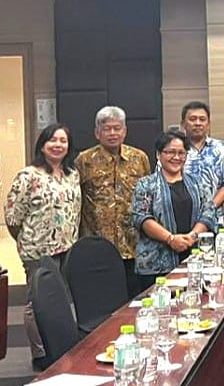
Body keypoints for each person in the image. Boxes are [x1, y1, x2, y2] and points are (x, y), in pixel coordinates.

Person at [4, 124, 81, 368]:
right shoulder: (28, 175)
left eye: (63, 141)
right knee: (35, 302)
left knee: (59, 301)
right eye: (52, 140)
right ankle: (40, 353)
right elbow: (13, 217)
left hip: (67, 248)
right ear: (42, 145)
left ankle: (57, 347)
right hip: (37, 250)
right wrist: (29, 239)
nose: (58, 145)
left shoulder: (72, 174)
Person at [75, 106, 151, 297]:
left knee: (134, 299)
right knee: (101, 298)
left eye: (117, 128)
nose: (112, 133)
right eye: (107, 129)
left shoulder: (139, 158)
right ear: (97, 132)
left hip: (133, 243)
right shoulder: (84, 160)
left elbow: (149, 197)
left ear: (124, 131)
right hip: (98, 244)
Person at [131, 130, 216, 288]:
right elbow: (141, 218)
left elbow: (209, 213)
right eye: (170, 152)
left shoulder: (198, 183)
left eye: (181, 153)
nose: (176, 157)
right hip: (156, 265)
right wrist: (170, 239)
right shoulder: (146, 184)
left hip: (194, 260)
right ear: (158, 154)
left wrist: (192, 236)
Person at [180, 101, 224, 222]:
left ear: (208, 124)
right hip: (182, 216)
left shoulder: (221, 148)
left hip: (215, 218)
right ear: (183, 124)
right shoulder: (174, 149)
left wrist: (210, 208)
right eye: (192, 119)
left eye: (202, 119)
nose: (198, 123)